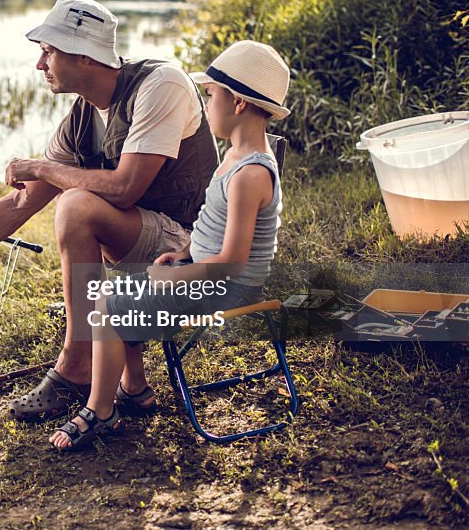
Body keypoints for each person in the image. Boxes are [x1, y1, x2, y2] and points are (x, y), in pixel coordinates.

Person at [0, 0, 218, 421]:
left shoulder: (162, 84)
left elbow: (123, 188)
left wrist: (41, 166)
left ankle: (77, 367)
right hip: (149, 243)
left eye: (48, 52)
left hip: (194, 248)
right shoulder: (82, 119)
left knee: (77, 205)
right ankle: (116, 377)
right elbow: (21, 201)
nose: (40, 65)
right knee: (73, 200)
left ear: (83, 57)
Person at [48, 39, 291, 450]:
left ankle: (100, 412)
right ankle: (132, 393)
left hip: (227, 286)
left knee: (108, 303)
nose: (206, 103)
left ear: (237, 105)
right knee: (110, 295)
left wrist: (173, 275)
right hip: (203, 270)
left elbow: (232, 260)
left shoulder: (250, 174)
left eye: (212, 95)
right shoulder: (235, 155)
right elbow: (215, 226)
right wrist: (186, 252)